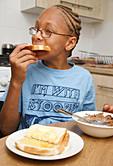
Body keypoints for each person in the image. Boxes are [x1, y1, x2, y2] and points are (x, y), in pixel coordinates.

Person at [0, 5, 97, 136]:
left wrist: (105, 122)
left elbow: (88, 123)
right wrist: (16, 81)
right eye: (37, 29)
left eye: (48, 31)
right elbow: (6, 129)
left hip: (68, 147)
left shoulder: (84, 78)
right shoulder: (26, 71)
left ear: (69, 43)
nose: (37, 36)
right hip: (28, 146)